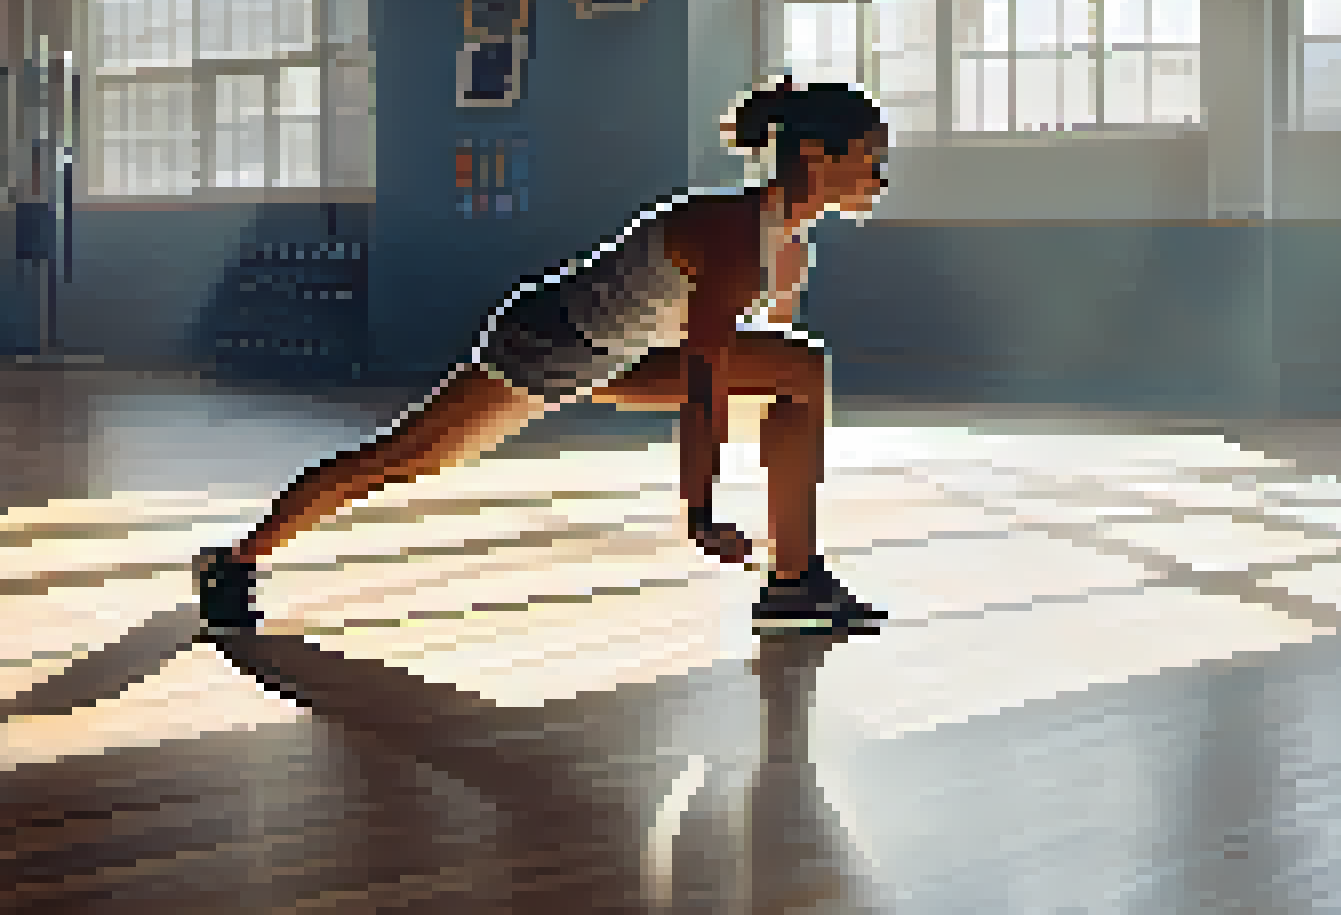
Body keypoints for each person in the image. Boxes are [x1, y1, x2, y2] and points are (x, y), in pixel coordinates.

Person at [198, 79, 892, 636]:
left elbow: (757, 377)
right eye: (869, 159)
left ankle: (793, 582)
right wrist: (700, 508)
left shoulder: (788, 252)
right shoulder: (735, 238)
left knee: (800, 369)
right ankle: (235, 562)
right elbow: (707, 383)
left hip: (627, 356)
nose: (879, 178)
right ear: (818, 158)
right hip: (547, 345)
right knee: (407, 458)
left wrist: (770, 449)